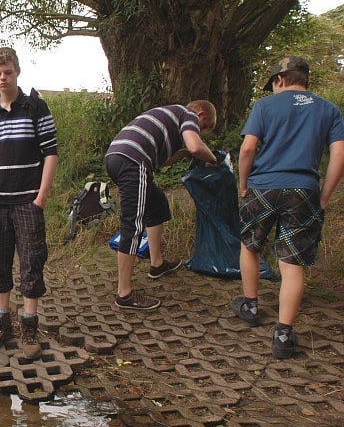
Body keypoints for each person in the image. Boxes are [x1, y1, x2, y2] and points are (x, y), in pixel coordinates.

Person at [233, 56, 344, 359]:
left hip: (263, 187)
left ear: (279, 80)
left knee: (250, 246)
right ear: (305, 79)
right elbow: (339, 155)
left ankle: (250, 306)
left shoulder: (265, 106)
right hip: (303, 189)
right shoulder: (329, 110)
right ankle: (283, 336)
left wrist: (243, 184)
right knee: (292, 264)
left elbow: (247, 148)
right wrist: (323, 195)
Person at [0, 46, 58, 360]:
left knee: (31, 261)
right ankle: (1, 323)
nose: (2, 78)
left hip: (27, 200)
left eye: (7, 72)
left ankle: (29, 325)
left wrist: (41, 197)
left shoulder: (35, 107)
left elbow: (50, 153)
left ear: (17, 72)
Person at [105, 101, 218, 310]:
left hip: (120, 156)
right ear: (201, 114)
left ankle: (157, 264)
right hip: (132, 160)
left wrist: (184, 154)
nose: (199, 131)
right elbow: (195, 146)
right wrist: (213, 159)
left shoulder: (170, 119)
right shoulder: (188, 114)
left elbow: (163, 161)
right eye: (202, 127)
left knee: (157, 204)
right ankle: (124, 294)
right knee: (133, 224)